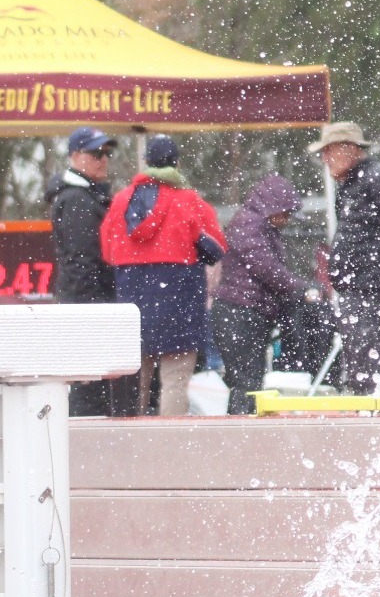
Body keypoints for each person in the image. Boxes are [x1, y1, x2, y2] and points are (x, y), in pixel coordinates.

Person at [99, 135, 225, 416]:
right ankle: (171, 445)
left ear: (145, 163)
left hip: (133, 305)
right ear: (177, 163)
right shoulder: (189, 200)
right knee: (175, 383)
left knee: (135, 383)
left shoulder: (120, 202)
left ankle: (131, 444)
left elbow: (107, 252)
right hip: (179, 303)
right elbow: (215, 248)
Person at [212, 174, 319, 415]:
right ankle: (243, 433)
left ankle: (245, 430)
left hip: (242, 313)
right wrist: (302, 288)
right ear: (273, 206)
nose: (287, 220)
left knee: (249, 381)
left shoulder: (258, 226)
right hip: (239, 314)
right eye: (286, 214)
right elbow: (268, 269)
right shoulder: (250, 227)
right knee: (247, 383)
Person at [309, 122, 380, 395]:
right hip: (357, 288)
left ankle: (378, 415)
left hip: (370, 290)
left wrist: (378, 277)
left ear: (349, 150)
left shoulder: (376, 180)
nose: (325, 160)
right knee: (360, 363)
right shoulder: (352, 184)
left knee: (373, 365)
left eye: (329, 152)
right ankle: (369, 410)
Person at [44, 126, 130, 416]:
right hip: (85, 305)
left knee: (91, 382)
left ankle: (85, 442)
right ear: (76, 156)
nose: (103, 159)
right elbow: (83, 261)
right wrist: (95, 308)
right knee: (88, 383)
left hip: (85, 302)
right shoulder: (77, 200)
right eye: (96, 153)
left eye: (106, 153)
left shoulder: (85, 196)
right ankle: (84, 445)